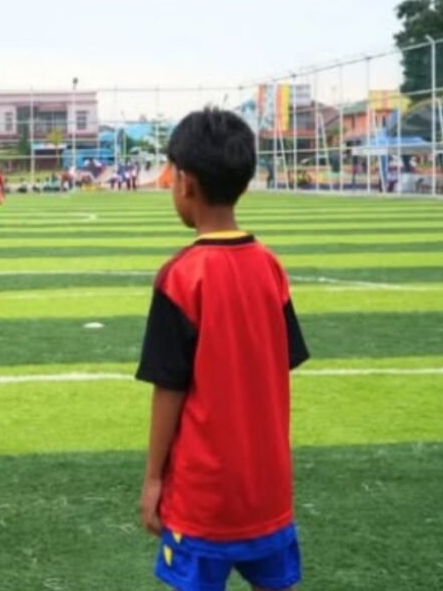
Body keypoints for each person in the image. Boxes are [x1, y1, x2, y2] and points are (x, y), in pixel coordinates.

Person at [136, 108, 308, 591]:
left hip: (202, 497)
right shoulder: (271, 268)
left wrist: (153, 481)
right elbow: (281, 365)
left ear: (185, 183)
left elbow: (168, 388)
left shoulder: (180, 277)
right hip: (268, 490)